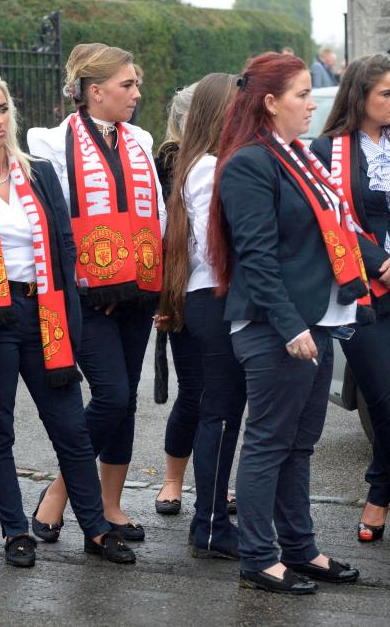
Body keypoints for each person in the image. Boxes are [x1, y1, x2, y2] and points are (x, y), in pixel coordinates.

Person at [0, 71, 135, 567]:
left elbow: (65, 247)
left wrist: (67, 313)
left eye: (3, 109)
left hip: (43, 312)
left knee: (69, 427)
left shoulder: (38, 172)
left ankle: (94, 528)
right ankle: (13, 530)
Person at [209, 52, 364, 594]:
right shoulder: (250, 163)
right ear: (270, 103)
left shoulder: (297, 155)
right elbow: (257, 255)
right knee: (269, 443)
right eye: (302, 93)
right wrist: (290, 326)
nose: (313, 101)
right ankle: (258, 556)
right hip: (275, 326)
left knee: (300, 443)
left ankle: (300, 549)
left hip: (315, 318)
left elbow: (332, 230)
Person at [27, 42, 165, 543]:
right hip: (88, 294)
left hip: (138, 292)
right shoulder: (50, 144)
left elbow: (159, 215)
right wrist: (97, 278)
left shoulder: (140, 140)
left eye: (136, 83)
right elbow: (54, 220)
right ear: (94, 91)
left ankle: (109, 504)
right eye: (127, 85)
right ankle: (62, 492)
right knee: (110, 394)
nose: (136, 93)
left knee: (125, 400)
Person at [311, 54, 390, 546]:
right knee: (386, 398)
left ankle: (376, 496)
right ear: (360, 95)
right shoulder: (327, 149)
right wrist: (384, 265)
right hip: (362, 289)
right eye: (386, 93)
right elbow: (333, 221)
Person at [158, 72, 245, 558]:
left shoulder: (202, 162)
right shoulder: (211, 167)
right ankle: (209, 523)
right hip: (214, 296)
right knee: (220, 413)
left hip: (209, 295)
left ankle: (209, 519)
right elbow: (225, 244)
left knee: (223, 412)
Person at [153, 81, 204, 514]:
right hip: (181, 290)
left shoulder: (227, 159)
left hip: (218, 290)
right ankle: (173, 480)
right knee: (193, 391)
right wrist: (163, 300)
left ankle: (213, 481)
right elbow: (158, 234)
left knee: (221, 397)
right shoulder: (168, 162)